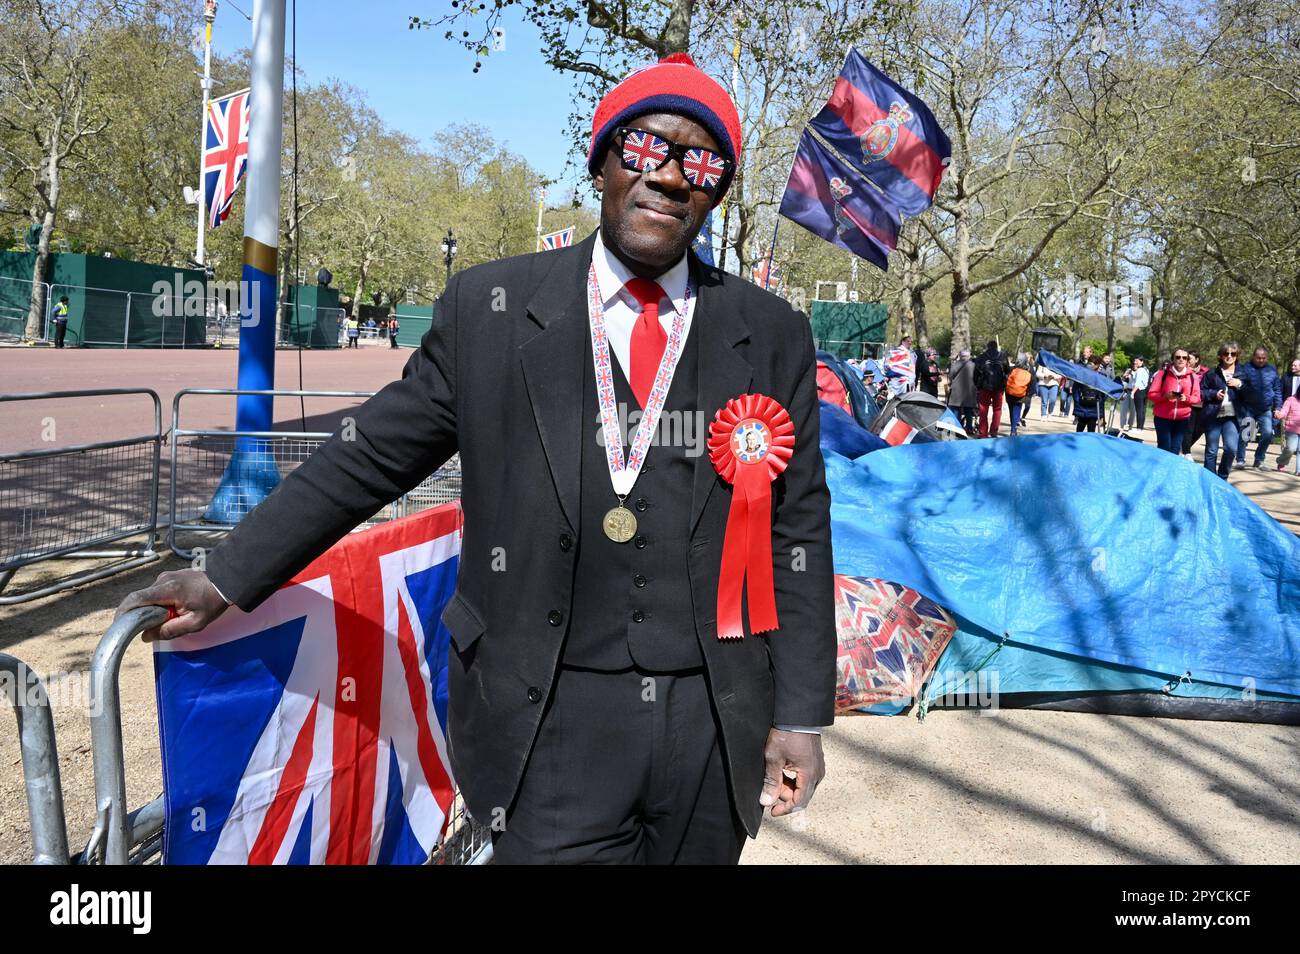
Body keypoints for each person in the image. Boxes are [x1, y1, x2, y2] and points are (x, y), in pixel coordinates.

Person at [115, 53, 834, 866]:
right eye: (644, 147)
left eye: (700, 161)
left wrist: (801, 715)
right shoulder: (489, 310)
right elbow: (371, 456)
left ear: (716, 190)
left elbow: (798, 525)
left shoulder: (771, 331)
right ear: (601, 160)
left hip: (714, 723)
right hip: (545, 719)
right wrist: (227, 572)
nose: (668, 176)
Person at [1201, 342, 1246, 478]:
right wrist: (1213, 394)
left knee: (1231, 449)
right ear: (1220, 356)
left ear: (1237, 356)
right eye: (1226, 353)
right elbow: (1201, 392)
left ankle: (1222, 477)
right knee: (1211, 450)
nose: (1229, 356)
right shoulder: (1211, 373)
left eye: (1233, 354)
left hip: (1232, 417)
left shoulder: (1244, 373)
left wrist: (1240, 384)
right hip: (1213, 415)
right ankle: (1209, 479)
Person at [1234, 347, 1282, 469]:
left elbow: (1277, 390)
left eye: (1263, 358)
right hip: (1248, 407)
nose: (1261, 360)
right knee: (1246, 433)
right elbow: (1238, 386)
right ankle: (1240, 460)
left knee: (1267, 434)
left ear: (1267, 358)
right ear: (1253, 357)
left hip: (1265, 409)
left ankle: (1259, 460)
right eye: (1258, 358)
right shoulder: (1245, 368)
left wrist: (1278, 407)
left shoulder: (1272, 370)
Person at [1147, 349, 1200, 454]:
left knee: (1175, 450)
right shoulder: (1162, 374)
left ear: (1187, 361)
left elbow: (1197, 398)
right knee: (1164, 448)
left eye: (1184, 358)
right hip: (1162, 418)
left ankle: (1170, 470)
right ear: (1173, 359)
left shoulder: (1192, 377)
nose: (1181, 359)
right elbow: (1151, 394)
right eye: (1178, 357)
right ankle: (1161, 469)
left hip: (1182, 419)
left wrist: (1187, 398)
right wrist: (1165, 396)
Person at [973, 340, 1010, 438]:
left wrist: (977, 385)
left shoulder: (981, 357)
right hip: (999, 388)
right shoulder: (1002, 356)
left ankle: (983, 433)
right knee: (997, 409)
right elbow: (1008, 371)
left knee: (983, 410)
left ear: (987, 347)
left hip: (984, 387)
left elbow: (975, 373)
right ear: (996, 346)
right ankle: (994, 431)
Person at [1181, 351, 1207, 457]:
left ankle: (1183, 448)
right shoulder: (1183, 371)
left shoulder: (1205, 372)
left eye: (1190, 358)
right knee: (1189, 429)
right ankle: (1186, 452)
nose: (1187, 361)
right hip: (1188, 403)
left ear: (1197, 359)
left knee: (1200, 429)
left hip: (1202, 404)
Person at [946, 348, 977, 436]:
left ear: (960, 356)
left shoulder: (955, 364)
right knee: (968, 411)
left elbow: (951, 376)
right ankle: (969, 429)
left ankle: (957, 428)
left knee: (956, 410)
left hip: (957, 391)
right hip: (969, 391)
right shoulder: (973, 365)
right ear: (969, 356)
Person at [1073, 359, 1103, 433]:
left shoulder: (1100, 378)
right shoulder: (1081, 378)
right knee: (1080, 429)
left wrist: (1100, 401)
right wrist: (1078, 402)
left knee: (1091, 430)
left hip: (1094, 408)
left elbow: (1104, 393)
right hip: (1082, 407)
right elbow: (1075, 391)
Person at [1274, 390, 1300, 476]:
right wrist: (1279, 414)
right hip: (1292, 429)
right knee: (1291, 448)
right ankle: (1281, 461)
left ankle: (1298, 470)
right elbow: (1284, 411)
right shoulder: (1291, 399)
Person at [1005, 358, 1032, 436]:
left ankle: (1013, 428)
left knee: (1011, 411)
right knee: (1016, 411)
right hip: (1021, 394)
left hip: (1010, 393)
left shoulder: (1011, 370)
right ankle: (1013, 430)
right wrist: (1028, 395)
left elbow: (1006, 380)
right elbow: (1030, 385)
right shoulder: (1028, 373)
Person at [1130, 356, 1150, 430]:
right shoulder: (1146, 369)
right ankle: (1141, 427)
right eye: (1135, 361)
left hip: (1139, 391)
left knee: (1139, 410)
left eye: (1137, 361)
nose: (1135, 362)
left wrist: (1132, 392)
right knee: (1142, 410)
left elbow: (1137, 382)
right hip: (1145, 391)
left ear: (1142, 362)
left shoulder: (1140, 370)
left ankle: (1139, 427)